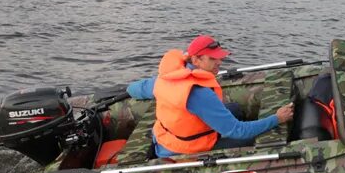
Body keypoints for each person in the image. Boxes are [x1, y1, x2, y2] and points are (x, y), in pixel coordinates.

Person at [126, 35, 294, 157]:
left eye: (219, 58)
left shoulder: (164, 77)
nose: (219, 63)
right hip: (183, 148)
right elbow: (238, 131)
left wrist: (126, 89)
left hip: (166, 137)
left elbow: (136, 89)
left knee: (234, 109)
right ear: (196, 60)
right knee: (251, 138)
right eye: (213, 59)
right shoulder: (198, 93)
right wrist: (276, 119)